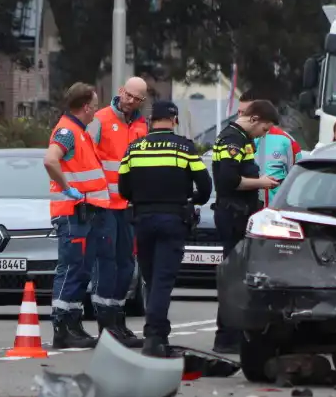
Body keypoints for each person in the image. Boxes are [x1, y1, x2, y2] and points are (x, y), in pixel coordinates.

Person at [117, 100, 212, 357]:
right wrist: (191, 198)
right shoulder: (185, 148)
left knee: (150, 279)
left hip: (143, 221)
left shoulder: (134, 149)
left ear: (150, 121)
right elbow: (205, 187)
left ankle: (157, 332)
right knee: (162, 281)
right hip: (173, 221)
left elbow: (123, 189)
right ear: (174, 120)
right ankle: (155, 336)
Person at [43, 82, 115, 349]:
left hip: (85, 213)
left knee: (81, 270)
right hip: (73, 212)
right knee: (72, 268)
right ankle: (62, 327)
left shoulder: (79, 131)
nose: (96, 112)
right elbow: (50, 160)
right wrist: (67, 188)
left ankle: (73, 325)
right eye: (94, 106)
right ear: (85, 107)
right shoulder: (67, 131)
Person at [210, 100, 282, 354]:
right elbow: (228, 180)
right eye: (264, 129)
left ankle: (231, 335)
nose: (264, 134)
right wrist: (260, 182)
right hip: (233, 214)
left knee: (239, 276)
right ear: (254, 119)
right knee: (234, 277)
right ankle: (226, 337)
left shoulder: (239, 138)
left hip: (237, 213)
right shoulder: (233, 140)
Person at [87, 76, 150, 348]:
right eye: (128, 95)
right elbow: (85, 157)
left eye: (137, 99)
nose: (131, 101)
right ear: (121, 91)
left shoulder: (141, 125)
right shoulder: (99, 120)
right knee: (107, 265)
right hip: (104, 205)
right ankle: (105, 325)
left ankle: (118, 320)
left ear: (142, 101)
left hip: (128, 206)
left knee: (126, 265)